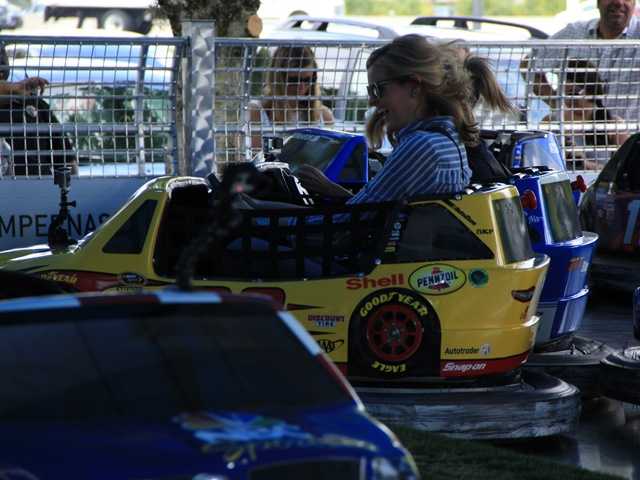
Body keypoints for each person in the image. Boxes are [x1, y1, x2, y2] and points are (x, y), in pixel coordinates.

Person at [298, 34, 513, 201]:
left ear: (413, 87)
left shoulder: (422, 146)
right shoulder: (448, 139)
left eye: (378, 89)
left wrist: (325, 189)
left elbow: (360, 216)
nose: (373, 101)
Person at [521, 0, 640, 122]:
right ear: (598, 3)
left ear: (634, 3)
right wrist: (556, 102)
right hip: (575, 135)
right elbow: (529, 64)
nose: (619, 2)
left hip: (631, 136)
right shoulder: (574, 32)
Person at [541, 59, 629, 168]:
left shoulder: (613, 124)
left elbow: (624, 167)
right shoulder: (551, 121)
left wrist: (584, 164)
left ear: (590, 90)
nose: (569, 99)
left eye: (573, 93)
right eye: (564, 93)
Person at [248, 46, 334, 151]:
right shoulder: (257, 111)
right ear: (278, 78)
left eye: (307, 79)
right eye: (294, 80)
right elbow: (255, 157)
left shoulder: (324, 116)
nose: (301, 86)